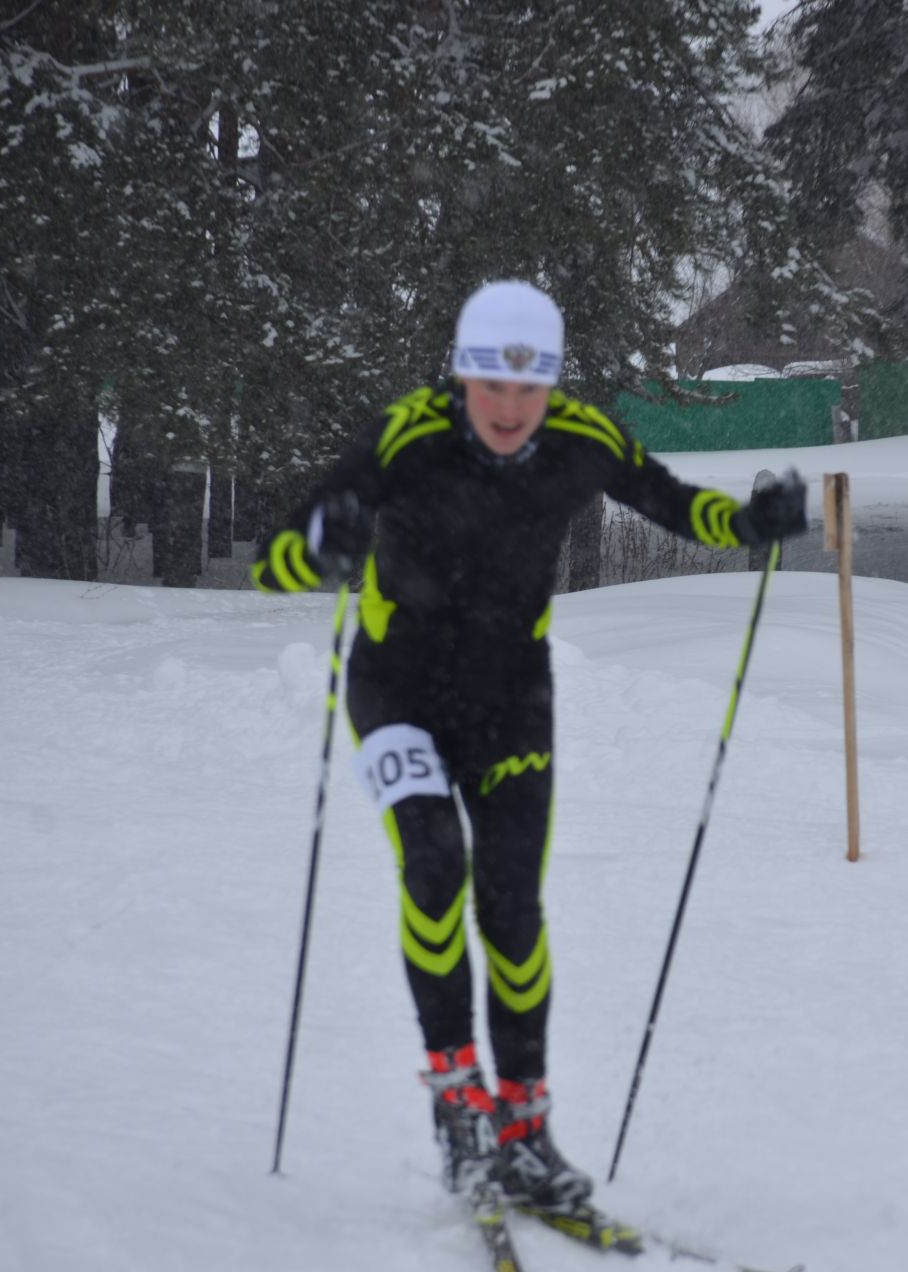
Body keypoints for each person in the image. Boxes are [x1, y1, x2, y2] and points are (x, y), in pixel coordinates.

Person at [252, 280, 807, 1211]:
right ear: (461, 376)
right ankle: (457, 1100)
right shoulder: (406, 434)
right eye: (489, 385)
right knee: (433, 870)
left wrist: (750, 526)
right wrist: (324, 545)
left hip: (510, 701)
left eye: (529, 389)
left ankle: (524, 1126)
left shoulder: (582, 439)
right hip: (398, 692)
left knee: (512, 914)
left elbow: (671, 502)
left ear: (550, 385)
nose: (509, 409)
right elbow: (279, 558)